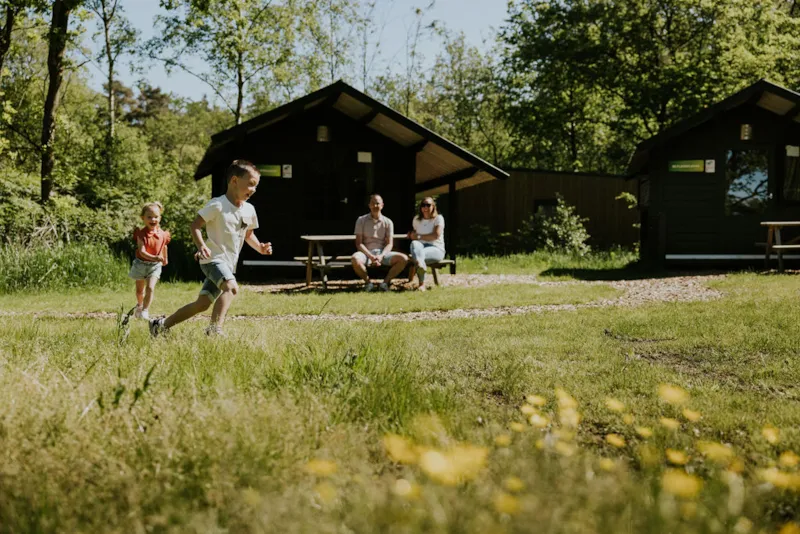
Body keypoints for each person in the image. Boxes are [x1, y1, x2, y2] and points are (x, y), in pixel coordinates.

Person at [150, 160, 272, 337]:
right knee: (231, 288)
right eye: (251, 184)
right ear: (235, 181)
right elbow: (195, 226)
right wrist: (201, 246)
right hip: (212, 259)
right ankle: (215, 330)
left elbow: (248, 235)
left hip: (228, 264)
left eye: (256, 186)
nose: (253, 190)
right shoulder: (218, 205)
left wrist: (260, 248)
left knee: (202, 304)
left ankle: (160, 326)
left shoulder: (249, 210)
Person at [351, 194, 408, 291]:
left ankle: (385, 283)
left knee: (404, 258)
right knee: (355, 258)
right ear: (369, 205)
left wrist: (381, 256)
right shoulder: (361, 220)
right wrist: (370, 256)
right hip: (366, 253)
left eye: (377, 203)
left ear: (382, 205)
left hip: (383, 253)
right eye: (373, 203)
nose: (375, 206)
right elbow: (359, 243)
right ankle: (368, 283)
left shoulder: (388, 222)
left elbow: (390, 243)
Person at [129, 201, 170, 320]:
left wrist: (164, 258)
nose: (153, 219)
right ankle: (140, 306)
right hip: (140, 264)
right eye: (149, 217)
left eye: (156, 217)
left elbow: (164, 246)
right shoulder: (141, 234)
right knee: (139, 291)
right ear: (143, 218)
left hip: (155, 265)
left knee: (150, 288)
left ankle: (145, 311)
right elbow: (142, 251)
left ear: (160, 218)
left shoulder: (163, 234)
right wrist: (155, 257)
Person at [407, 196, 445, 291]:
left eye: (428, 205)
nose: (425, 207)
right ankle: (421, 268)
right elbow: (414, 235)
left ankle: (421, 284)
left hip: (436, 248)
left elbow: (435, 235)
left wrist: (418, 236)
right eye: (423, 205)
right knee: (414, 244)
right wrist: (411, 235)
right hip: (419, 248)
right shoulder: (416, 219)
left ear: (433, 206)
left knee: (419, 255)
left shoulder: (438, 218)